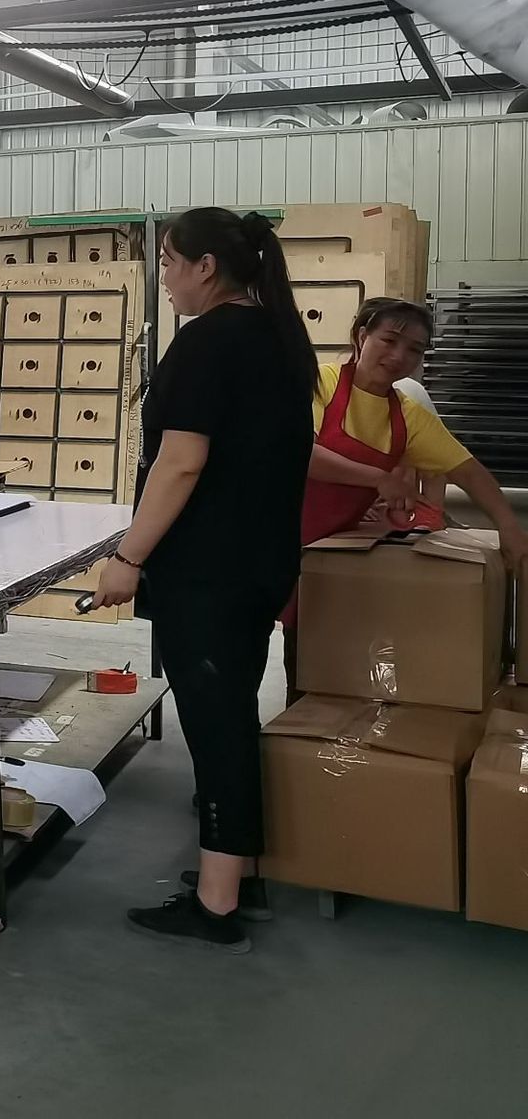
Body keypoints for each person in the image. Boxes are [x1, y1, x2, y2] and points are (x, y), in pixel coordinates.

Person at [92, 209, 315, 954]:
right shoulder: (279, 337)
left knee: (216, 728)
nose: (165, 277)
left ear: (205, 267)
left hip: (209, 573)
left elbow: (181, 463)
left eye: (168, 262)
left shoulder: (208, 341)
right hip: (259, 565)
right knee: (233, 713)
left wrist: (129, 557)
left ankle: (217, 906)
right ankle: (237, 871)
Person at [285, 296, 528, 698]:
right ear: (362, 336)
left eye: (415, 349)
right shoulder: (319, 383)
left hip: (331, 558)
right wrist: (379, 478)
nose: (399, 356)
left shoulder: (408, 416)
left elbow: (469, 471)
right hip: (274, 540)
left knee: (317, 660)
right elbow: (298, 453)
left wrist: (509, 527)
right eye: (389, 340)